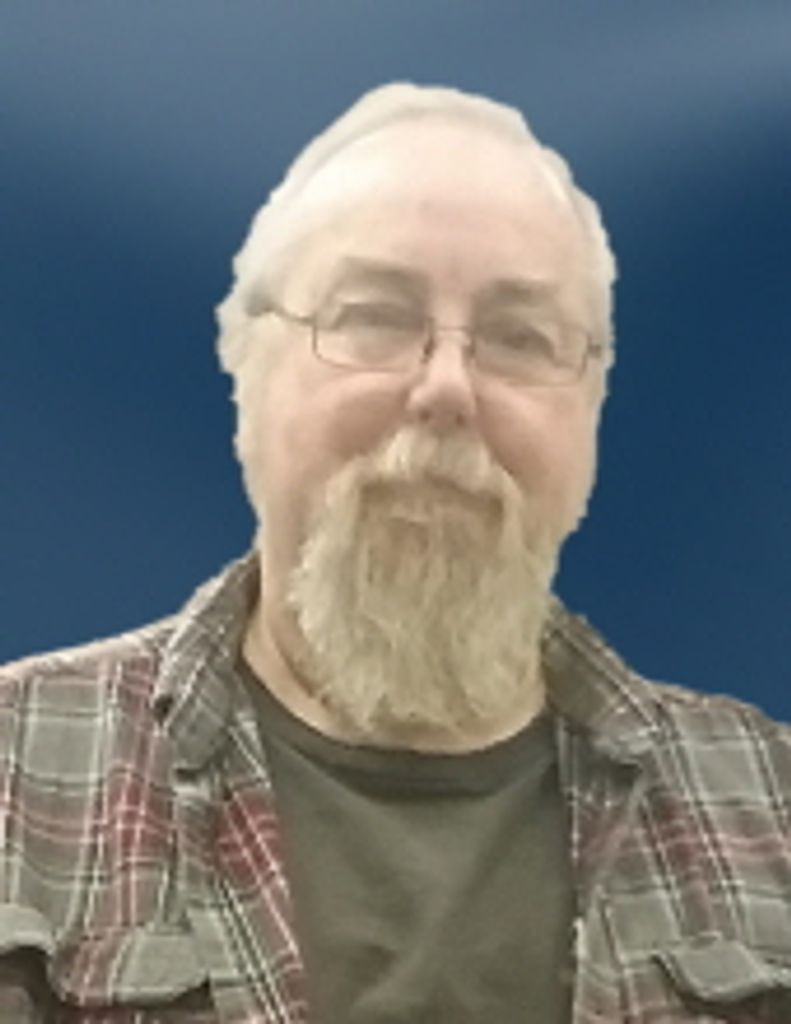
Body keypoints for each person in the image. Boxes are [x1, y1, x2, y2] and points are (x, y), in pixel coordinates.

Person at [1, 82, 789, 1024]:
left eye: (519, 336)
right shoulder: (15, 776)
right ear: (245, 372)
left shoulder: (771, 806)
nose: (446, 389)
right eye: (372, 315)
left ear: (588, 413)